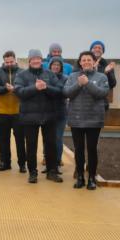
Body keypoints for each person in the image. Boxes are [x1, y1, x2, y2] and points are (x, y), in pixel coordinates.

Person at [15, 49, 63, 184]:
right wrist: (35, 88)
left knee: (51, 145)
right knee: (31, 146)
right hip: (29, 117)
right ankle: (33, 173)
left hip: (49, 116)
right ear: (29, 60)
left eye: (38, 58)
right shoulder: (22, 75)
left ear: (42, 60)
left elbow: (59, 91)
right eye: (33, 59)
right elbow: (19, 92)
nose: (36, 61)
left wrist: (46, 87)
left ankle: (51, 172)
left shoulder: (50, 74)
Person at [63, 51, 109, 190]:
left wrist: (88, 83)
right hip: (76, 119)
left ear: (94, 62)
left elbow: (102, 93)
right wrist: (79, 84)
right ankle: (80, 177)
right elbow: (66, 92)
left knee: (92, 149)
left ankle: (92, 178)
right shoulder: (72, 76)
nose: (86, 62)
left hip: (94, 119)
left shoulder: (101, 77)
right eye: (84, 60)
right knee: (79, 150)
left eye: (89, 60)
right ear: (80, 62)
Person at [0, 51, 26, 173]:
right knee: (3, 138)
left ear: (15, 60)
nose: (9, 64)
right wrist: (5, 89)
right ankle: (5, 162)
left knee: (20, 139)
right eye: (7, 62)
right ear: (3, 61)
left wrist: (15, 89)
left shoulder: (22, 72)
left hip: (18, 111)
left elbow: (25, 88)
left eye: (11, 61)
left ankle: (22, 164)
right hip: (1, 110)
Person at [41, 57, 67, 174]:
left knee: (58, 139)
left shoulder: (65, 78)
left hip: (60, 113)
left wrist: (47, 88)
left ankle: (56, 163)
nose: (56, 66)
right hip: (47, 112)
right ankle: (48, 163)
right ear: (50, 66)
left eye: (58, 65)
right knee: (48, 140)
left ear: (61, 67)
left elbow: (61, 92)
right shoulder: (45, 77)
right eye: (54, 65)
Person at [89, 40, 117, 111]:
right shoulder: (84, 62)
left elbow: (113, 84)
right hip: (87, 102)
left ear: (102, 51)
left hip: (102, 102)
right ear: (91, 50)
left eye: (100, 48)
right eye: (95, 47)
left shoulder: (106, 64)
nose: (97, 49)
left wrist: (108, 72)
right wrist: (92, 69)